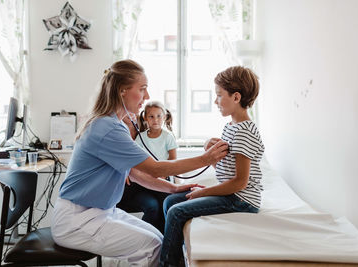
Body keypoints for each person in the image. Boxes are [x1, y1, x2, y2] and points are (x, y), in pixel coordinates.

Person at [50, 59, 228, 267]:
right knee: (151, 246)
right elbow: (154, 168)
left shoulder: (114, 124)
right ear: (122, 91)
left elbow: (133, 172)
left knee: (159, 241)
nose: (147, 96)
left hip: (99, 212)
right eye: (142, 89)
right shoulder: (108, 128)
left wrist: (173, 188)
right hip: (77, 221)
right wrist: (206, 159)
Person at [160, 66, 265, 267]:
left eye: (218, 95)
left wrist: (205, 192)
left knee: (176, 212)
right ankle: (176, 255)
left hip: (242, 200)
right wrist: (212, 154)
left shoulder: (244, 132)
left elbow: (240, 182)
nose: (215, 101)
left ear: (236, 97)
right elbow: (226, 172)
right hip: (230, 193)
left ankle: (167, 264)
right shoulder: (230, 127)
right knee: (169, 202)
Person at [117, 101, 177, 233]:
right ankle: (147, 238)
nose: (155, 120)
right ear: (145, 118)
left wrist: (164, 174)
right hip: (144, 182)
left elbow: (173, 160)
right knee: (156, 205)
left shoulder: (168, 137)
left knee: (164, 203)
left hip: (161, 178)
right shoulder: (141, 137)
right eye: (151, 117)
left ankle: (162, 238)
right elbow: (134, 159)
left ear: (164, 117)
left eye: (158, 116)